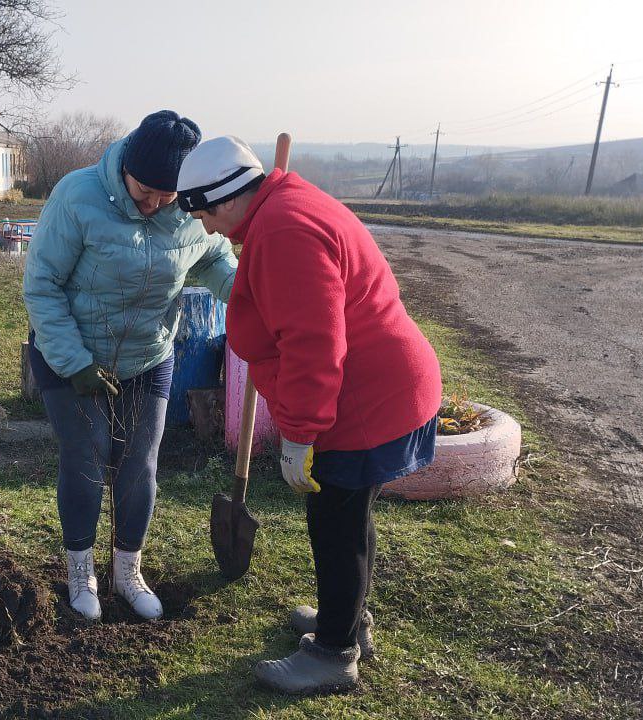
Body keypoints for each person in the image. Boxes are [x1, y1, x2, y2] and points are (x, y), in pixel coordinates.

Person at [176, 136, 442, 693]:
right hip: (379, 387)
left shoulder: (285, 230)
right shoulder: (286, 205)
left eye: (203, 214)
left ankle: (333, 653)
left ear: (225, 199)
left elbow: (314, 344)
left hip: (363, 402)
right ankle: (346, 619)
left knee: (335, 527)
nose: (205, 229)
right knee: (351, 518)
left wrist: (298, 433)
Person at [23, 111, 237, 621]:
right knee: (88, 455)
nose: (154, 202)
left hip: (148, 354)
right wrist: (74, 362)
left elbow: (215, 262)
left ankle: (127, 570)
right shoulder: (78, 197)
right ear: (126, 166)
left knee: (140, 462)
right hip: (70, 353)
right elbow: (42, 284)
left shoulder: (187, 211)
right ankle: (81, 572)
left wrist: (255, 295)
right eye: (146, 189)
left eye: (167, 194)